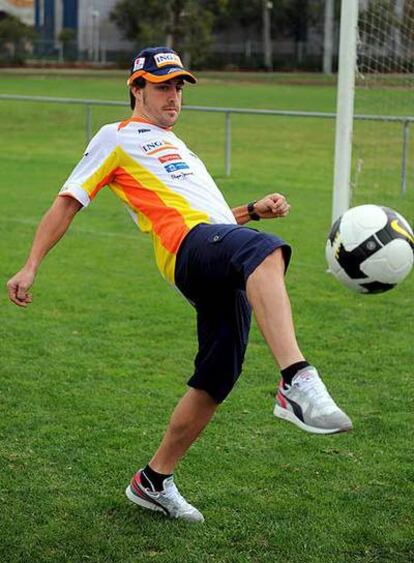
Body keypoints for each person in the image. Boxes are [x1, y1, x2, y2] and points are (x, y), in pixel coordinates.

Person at [7, 47, 352, 523]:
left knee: (218, 374)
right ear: (136, 88)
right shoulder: (117, 137)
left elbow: (212, 222)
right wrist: (30, 265)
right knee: (262, 248)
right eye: (161, 86)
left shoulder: (183, 148)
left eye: (178, 87)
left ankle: (153, 481)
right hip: (185, 252)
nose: (173, 97)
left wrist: (251, 210)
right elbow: (67, 202)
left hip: (210, 245)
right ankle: (296, 380)